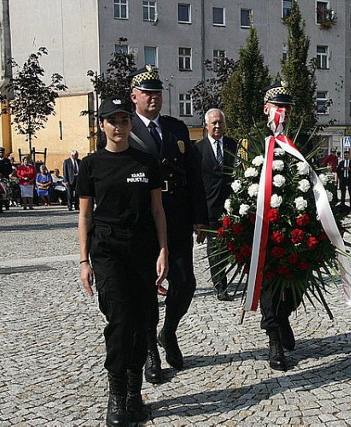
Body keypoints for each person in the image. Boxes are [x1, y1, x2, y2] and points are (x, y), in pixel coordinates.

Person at [77, 97, 168, 425]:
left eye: (124, 120)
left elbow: (158, 211)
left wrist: (163, 251)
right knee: (120, 321)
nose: (119, 126)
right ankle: (116, 395)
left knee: (143, 320)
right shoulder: (90, 165)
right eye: (112, 120)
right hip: (108, 250)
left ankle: (134, 392)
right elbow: (85, 215)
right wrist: (84, 261)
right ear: (101, 125)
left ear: (131, 123)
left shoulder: (147, 163)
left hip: (143, 250)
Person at [128, 65, 208, 383]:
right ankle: (150, 352)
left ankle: (169, 331)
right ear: (134, 97)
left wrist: (200, 217)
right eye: (147, 93)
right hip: (143, 222)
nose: (154, 98)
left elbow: (193, 175)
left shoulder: (176, 128)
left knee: (186, 282)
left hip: (176, 219)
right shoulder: (126, 128)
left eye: (158, 93)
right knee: (147, 291)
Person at [257, 82, 303, 371]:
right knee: (269, 288)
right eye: (277, 107)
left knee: (296, 288)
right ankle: (274, 341)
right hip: (264, 230)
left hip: (298, 229)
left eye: (286, 108)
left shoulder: (300, 141)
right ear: (266, 110)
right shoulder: (253, 141)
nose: (282, 113)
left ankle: (284, 315)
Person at [194, 108, 237, 301]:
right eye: (214, 123)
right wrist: (197, 218)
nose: (217, 126)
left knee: (229, 247)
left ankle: (224, 277)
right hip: (208, 208)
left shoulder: (233, 146)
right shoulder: (198, 149)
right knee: (214, 248)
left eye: (220, 122)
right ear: (206, 125)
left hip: (231, 207)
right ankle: (221, 286)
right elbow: (194, 183)